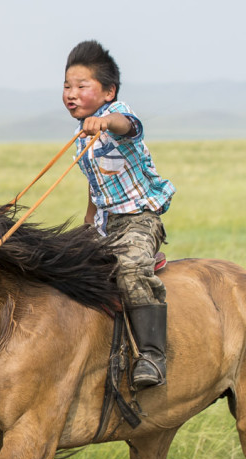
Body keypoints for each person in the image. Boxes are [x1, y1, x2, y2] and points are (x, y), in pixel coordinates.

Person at [63, 40, 176, 389]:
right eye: (67, 86)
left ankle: (153, 356)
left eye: (82, 86)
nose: (71, 94)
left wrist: (106, 121)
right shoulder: (82, 136)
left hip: (139, 218)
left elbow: (127, 124)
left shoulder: (116, 115)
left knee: (130, 268)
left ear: (109, 91)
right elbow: (96, 190)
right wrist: (85, 228)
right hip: (105, 223)